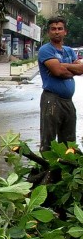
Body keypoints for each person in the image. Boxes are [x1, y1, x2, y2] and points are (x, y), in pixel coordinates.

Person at [37, 16, 83, 152]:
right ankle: (48, 170)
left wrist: (64, 66)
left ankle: (67, 170)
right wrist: (68, 69)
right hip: (52, 100)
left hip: (68, 101)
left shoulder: (69, 50)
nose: (56, 31)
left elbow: (80, 70)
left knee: (69, 143)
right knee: (48, 140)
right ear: (48, 32)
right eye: (53, 29)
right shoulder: (46, 50)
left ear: (65, 32)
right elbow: (57, 71)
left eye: (59, 29)